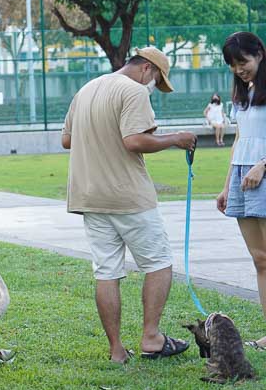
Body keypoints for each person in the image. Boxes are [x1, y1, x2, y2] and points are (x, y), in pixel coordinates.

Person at [62, 46, 195, 364]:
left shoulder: (87, 89)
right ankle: (151, 337)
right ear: (147, 69)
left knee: (106, 271)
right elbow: (134, 141)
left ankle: (116, 350)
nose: (153, 88)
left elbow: (67, 140)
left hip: (89, 196)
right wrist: (175, 139)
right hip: (128, 196)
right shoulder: (134, 91)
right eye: (156, 81)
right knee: (159, 262)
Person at [215, 32, 266, 350]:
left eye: (243, 62)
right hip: (241, 176)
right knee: (260, 259)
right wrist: (226, 186)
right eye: (233, 65)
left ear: (259, 53)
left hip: (262, 173)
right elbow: (238, 139)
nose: (239, 69)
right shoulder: (241, 93)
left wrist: (262, 165)